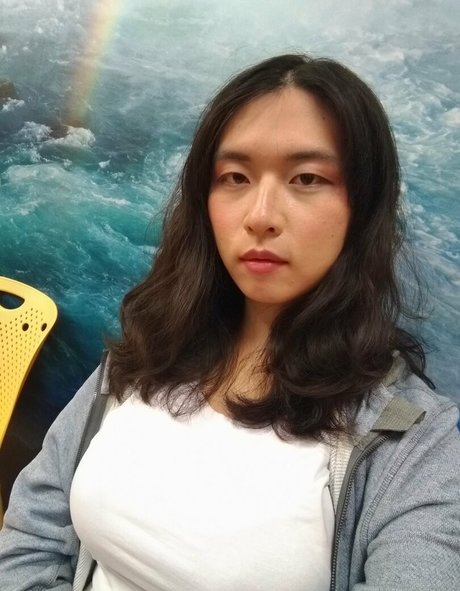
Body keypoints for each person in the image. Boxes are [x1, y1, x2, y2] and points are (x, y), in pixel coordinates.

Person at [0, 53, 459, 591]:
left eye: (307, 178)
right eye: (235, 177)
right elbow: (31, 537)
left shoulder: (414, 445)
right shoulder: (147, 354)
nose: (260, 215)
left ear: (363, 206)